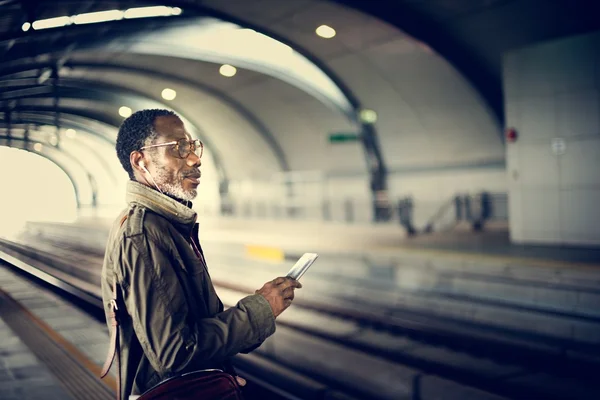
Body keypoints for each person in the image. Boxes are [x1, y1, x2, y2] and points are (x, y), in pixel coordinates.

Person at [101, 109, 301, 399]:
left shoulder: (169, 225)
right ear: (140, 160)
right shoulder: (143, 234)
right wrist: (259, 310)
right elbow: (175, 354)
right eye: (178, 148)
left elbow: (201, 323)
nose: (194, 159)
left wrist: (262, 308)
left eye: (192, 147)